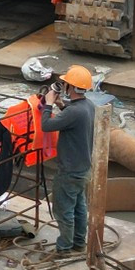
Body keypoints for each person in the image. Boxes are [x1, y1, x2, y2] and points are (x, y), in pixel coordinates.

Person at [39, 65, 97, 254]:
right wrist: (60, 105)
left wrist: (48, 103)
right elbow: (72, 117)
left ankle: (63, 249)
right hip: (83, 168)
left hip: (70, 171)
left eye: (66, 84)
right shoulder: (88, 106)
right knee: (79, 208)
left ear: (70, 87)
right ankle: (79, 243)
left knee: (64, 211)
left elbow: (47, 125)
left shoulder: (74, 112)